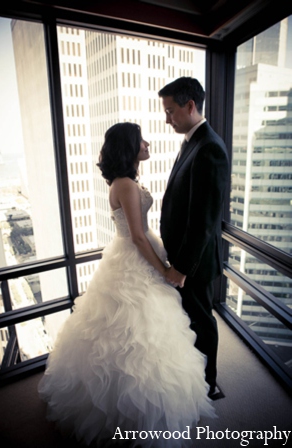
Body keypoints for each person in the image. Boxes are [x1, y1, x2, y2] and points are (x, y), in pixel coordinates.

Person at [38, 122, 216, 447]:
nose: (147, 143)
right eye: (141, 140)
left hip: (132, 253)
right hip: (136, 258)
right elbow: (136, 235)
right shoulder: (126, 185)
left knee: (142, 333)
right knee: (137, 335)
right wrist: (163, 269)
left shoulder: (126, 181)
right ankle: (134, 415)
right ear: (129, 147)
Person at [158, 77, 229, 399]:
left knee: (202, 322)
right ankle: (195, 377)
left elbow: (204, 219)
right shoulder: (192, 141)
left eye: (171, 111)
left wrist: (182, 267)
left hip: (195, 263)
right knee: (191, 320)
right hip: (184, 256)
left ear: (190, 106)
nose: (167, 118)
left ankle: (208, 384)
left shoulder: (209, 147)